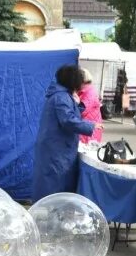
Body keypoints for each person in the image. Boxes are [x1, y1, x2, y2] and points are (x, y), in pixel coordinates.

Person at [32, 64, 95, 201]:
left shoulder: (60, 96)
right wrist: (90, 126)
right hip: (57, 148)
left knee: (51, 184)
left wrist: (78, 105)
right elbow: (68, 121)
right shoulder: (62, 97)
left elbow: (68, 115)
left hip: (54, 146)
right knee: (55, 187)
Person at [78, 69, 104, 144]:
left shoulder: (89, 92)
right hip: (87, 128)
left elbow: (81, 111)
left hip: (89, 131)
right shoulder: (83, 91)